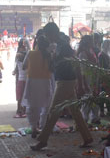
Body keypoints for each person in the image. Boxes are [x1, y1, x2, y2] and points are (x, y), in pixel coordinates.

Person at [30, 22, 93, 151]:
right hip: (65, 80)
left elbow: (73, 63)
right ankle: (87, 137)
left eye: (48, 35)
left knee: (53, 111)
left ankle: (42, 140)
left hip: (65, 81)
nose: (47, 38)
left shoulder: (63, 46)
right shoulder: (61, 45)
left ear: (53, 33)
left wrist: (80, 83)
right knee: (75, 112)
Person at [22, 35, 53, 138]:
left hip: (33, 81)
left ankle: (34, 128)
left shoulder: (30, 53)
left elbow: (23, 66)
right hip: (45, 81)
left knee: (32, 105)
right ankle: (44, 128)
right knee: (46, 105)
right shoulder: (49, 55)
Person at [77, 35, 100, 124]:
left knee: (94, 96)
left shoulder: (90, 51)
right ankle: (85, 117)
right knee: (87, 98)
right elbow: (83, 69)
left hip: (93, 77)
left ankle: (95, 116)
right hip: (87, 77)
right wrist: (84, 82)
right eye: (92, 41)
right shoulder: (83, 53)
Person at [13, 38, 29, 118]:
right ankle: (21, 110)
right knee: (22, 94)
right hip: (22, 77)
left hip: (20, 78)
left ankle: (21, 110)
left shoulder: (19, 54)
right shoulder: (24, 53)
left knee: (20, 94)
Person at [98, 39, 110, 117]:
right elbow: (101, 67)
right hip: (104, 76)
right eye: (109, 45)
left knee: (109, 93)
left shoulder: (108, 54)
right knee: (103, 93)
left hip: (109, 76)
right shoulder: (101, 55)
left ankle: (109, 109)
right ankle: (101, 110)